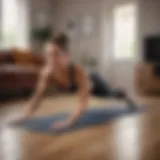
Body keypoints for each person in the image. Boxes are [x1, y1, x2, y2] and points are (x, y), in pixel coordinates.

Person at [13, 33, 91, 129]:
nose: (50, 59)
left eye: (55, 54)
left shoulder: (78, 71)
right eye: (48, 54)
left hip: (96, 86)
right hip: (80, 88)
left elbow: (83, 102)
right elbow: (37, 97)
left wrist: (69, 122)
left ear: (66, 55)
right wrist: (24, 115)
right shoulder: (47, 73)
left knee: (112, 94)